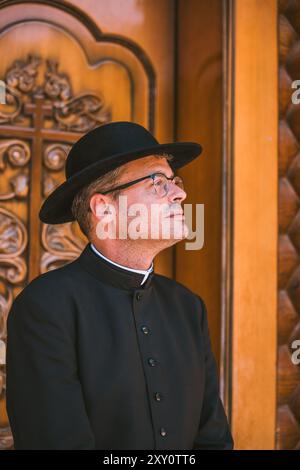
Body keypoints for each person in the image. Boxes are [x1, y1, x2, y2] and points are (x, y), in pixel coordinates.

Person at [6, 121, 233, 450]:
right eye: (157, 183)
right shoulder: (45, 307)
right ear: (104, 208)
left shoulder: (188, 307)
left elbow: (213, 440)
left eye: (174, 181)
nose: (180, 193)